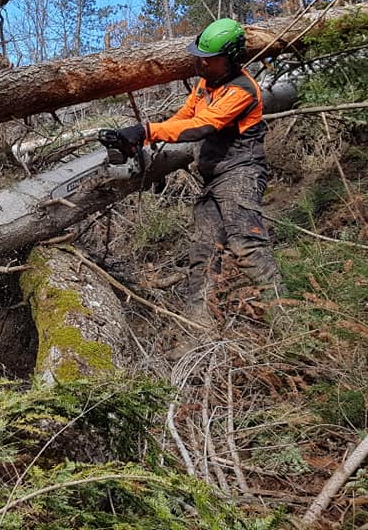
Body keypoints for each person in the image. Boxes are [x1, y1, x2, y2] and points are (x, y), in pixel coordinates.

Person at [109, 17, 283, 337]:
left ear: (230, 58)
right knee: (203, 253)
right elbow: (184, 118)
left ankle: (289, 325)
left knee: (247, 246)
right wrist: (149, 143)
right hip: (215, 176)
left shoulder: (243, 89)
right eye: (200, 56)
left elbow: (202, 126)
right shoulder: (206, 83)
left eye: (209, 58)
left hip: (240, 173)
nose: (201, 62)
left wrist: (145, 130)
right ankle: (200, 329)